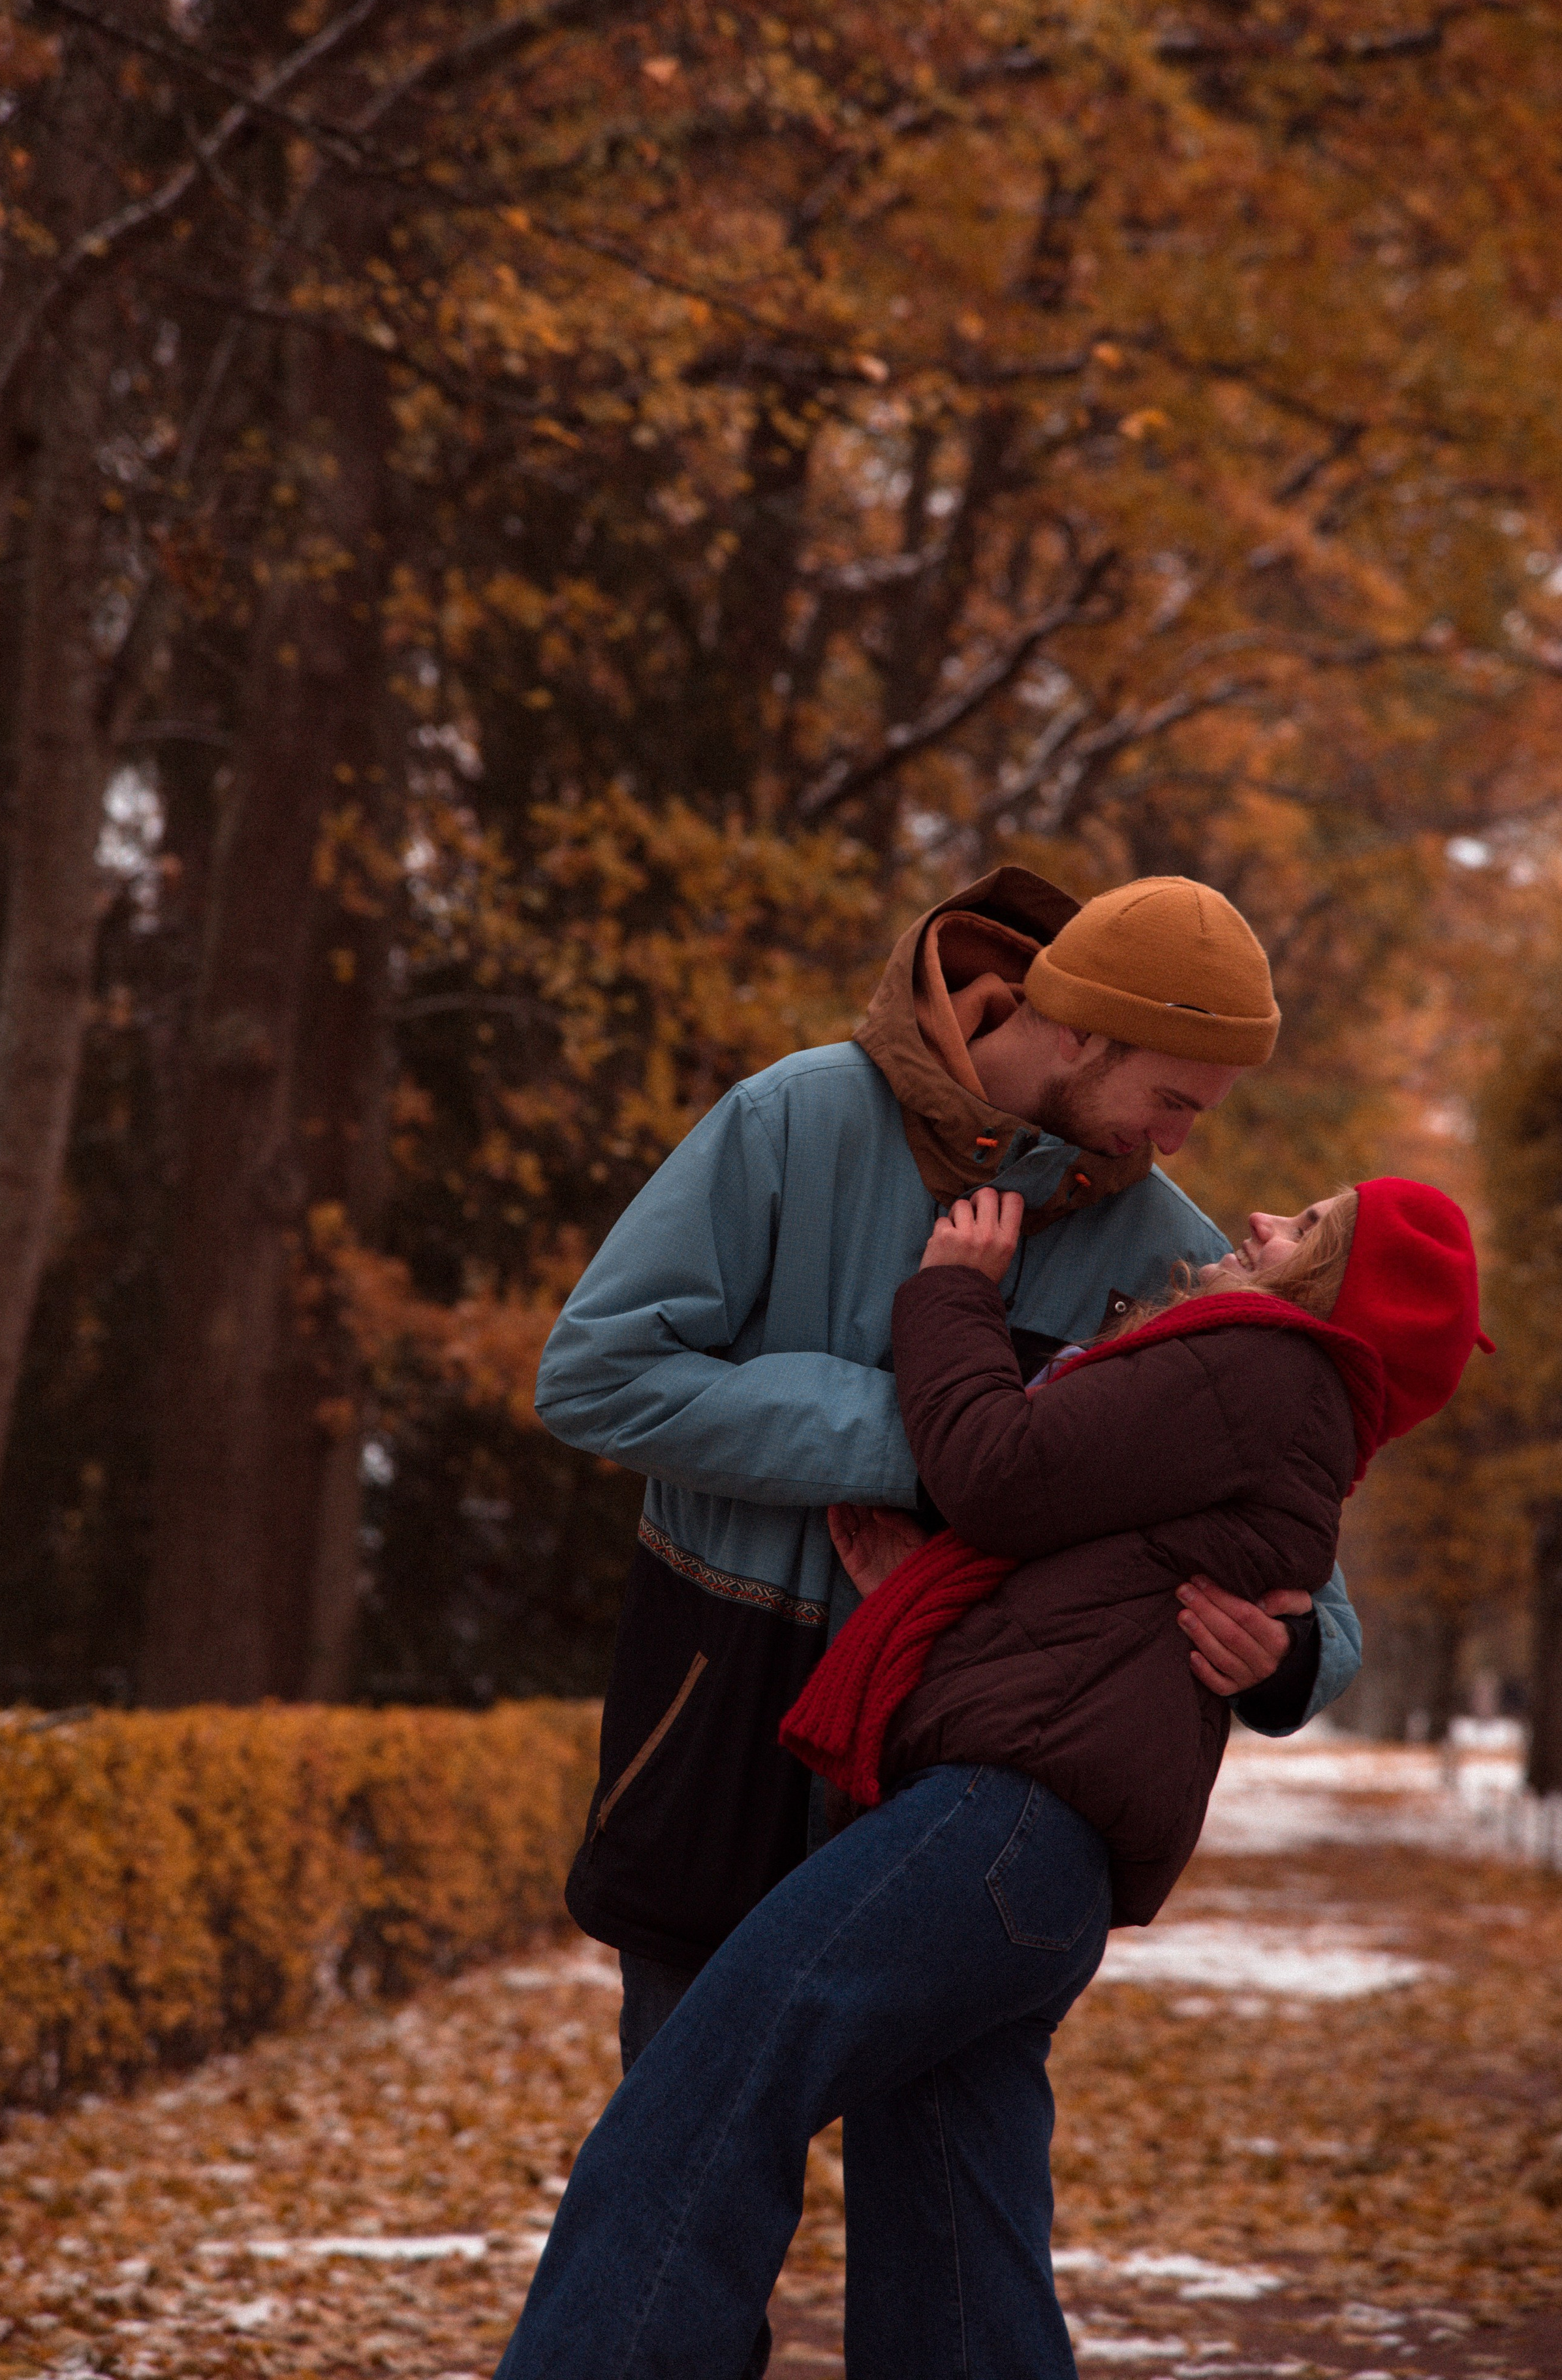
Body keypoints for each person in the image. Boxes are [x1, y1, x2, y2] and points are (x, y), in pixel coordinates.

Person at [535, 865, 1361, 2373]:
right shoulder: (789, 1120)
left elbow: (1309, 1556)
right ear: (1084, 1032)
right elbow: (593, 1375)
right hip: (721, 1701)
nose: (1188, 1143)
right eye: (1175, 1098)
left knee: (949, 2197)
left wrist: (1294, 1651)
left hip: (958, 1780)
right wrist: (933, 1435)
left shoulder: (1163, 1242)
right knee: (685, 2159)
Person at [497, 1177, 1487, 2380]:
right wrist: (929, 1586)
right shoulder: (1286, 1409)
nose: (1268, 1223)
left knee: (707, 2092)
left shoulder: (1263, 1367)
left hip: (996, 1827)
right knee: (957, 2250)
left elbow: (997, 1467)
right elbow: (1090, 1583)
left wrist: (955, 1295)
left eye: (1312, 1230)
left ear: (1330, 1293)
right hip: (1038, 1866)